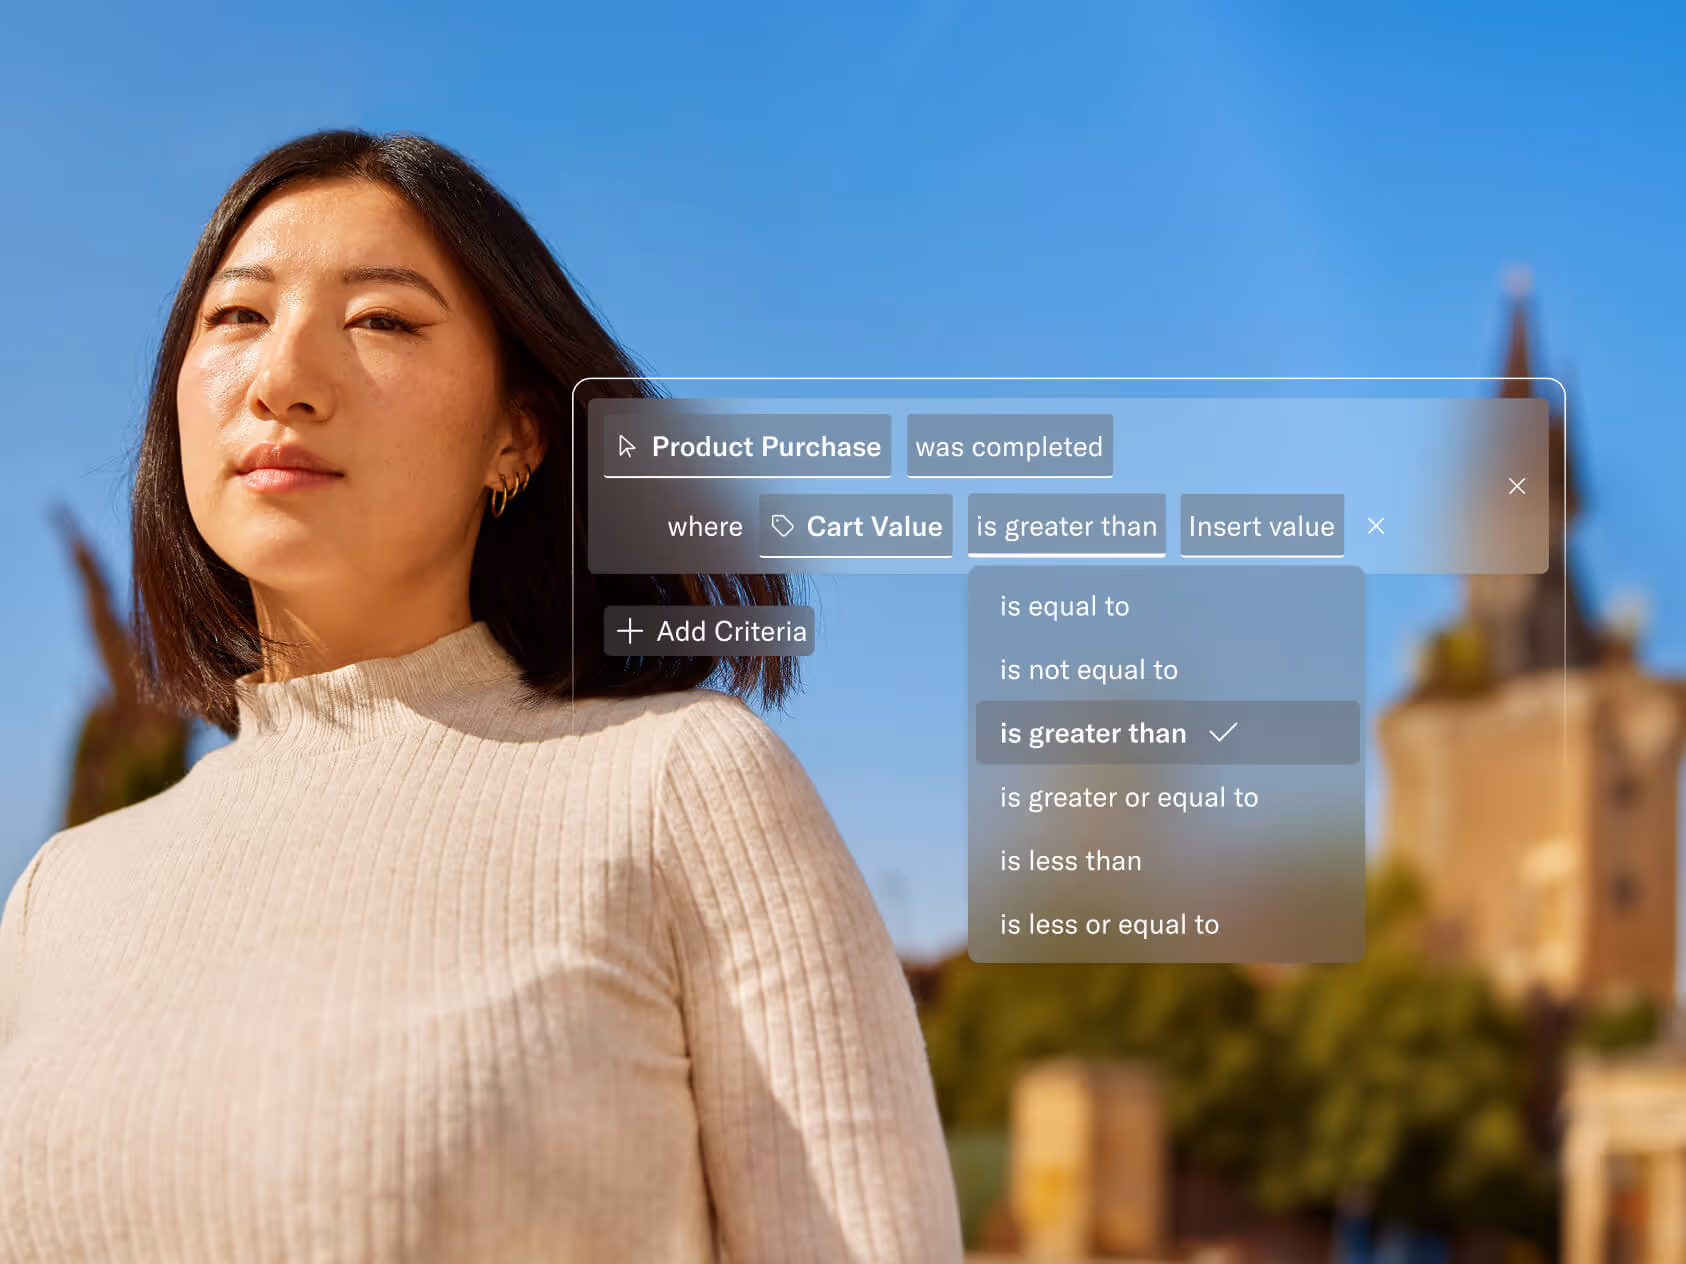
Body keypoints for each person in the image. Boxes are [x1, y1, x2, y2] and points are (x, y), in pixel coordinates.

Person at [0, 129, 963, 1263]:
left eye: (382, 321)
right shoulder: (61, 894)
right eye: (237, 318)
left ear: (516, 434)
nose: (282, 380)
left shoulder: (685, 787)